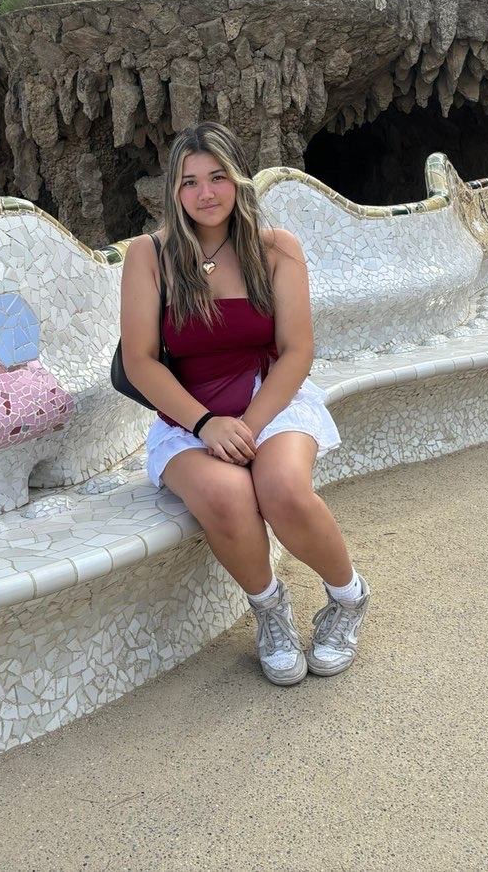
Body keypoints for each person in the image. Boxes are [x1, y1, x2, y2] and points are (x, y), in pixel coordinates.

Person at [118, 121, 370, 686]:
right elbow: (140, 361)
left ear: (237, 180)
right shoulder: (149, 256)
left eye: (216, 178)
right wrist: (207, 425)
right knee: (228, 498)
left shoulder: (276, 248)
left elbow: (297, 350)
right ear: (173, 193)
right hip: (187, 413)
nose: (205, 194)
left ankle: (348, 597)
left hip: (268, 396)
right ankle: (271, 611)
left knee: (280, 489)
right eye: (189, 182)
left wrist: (249, 427)